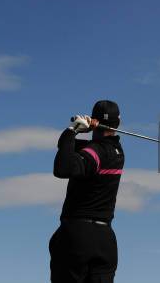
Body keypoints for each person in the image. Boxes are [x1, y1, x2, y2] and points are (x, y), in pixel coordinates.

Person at [49, 100, 124, 283]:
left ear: (93, 120)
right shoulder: (117, 152)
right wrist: (72, 135)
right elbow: (66, 147)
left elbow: (62, 168)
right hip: (105, 240)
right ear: (119, 121)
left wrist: (73, 130)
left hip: (76, 236)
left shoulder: (94, 152)